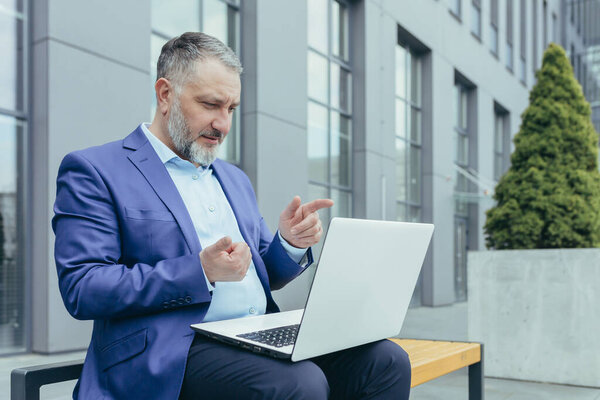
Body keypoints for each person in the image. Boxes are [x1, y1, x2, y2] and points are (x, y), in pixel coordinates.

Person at [53, 32, 411, 399]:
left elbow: (263, 273)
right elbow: (83, 288)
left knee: (386, 361)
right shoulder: (96, 170)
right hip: (170, 352)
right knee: (298, 384)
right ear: (165, 95)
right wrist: (200, 272)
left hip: (253, 335)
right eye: (210, 104)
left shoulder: (233, 178)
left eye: (231, 109)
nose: (223, 124)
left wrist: (288, 244)